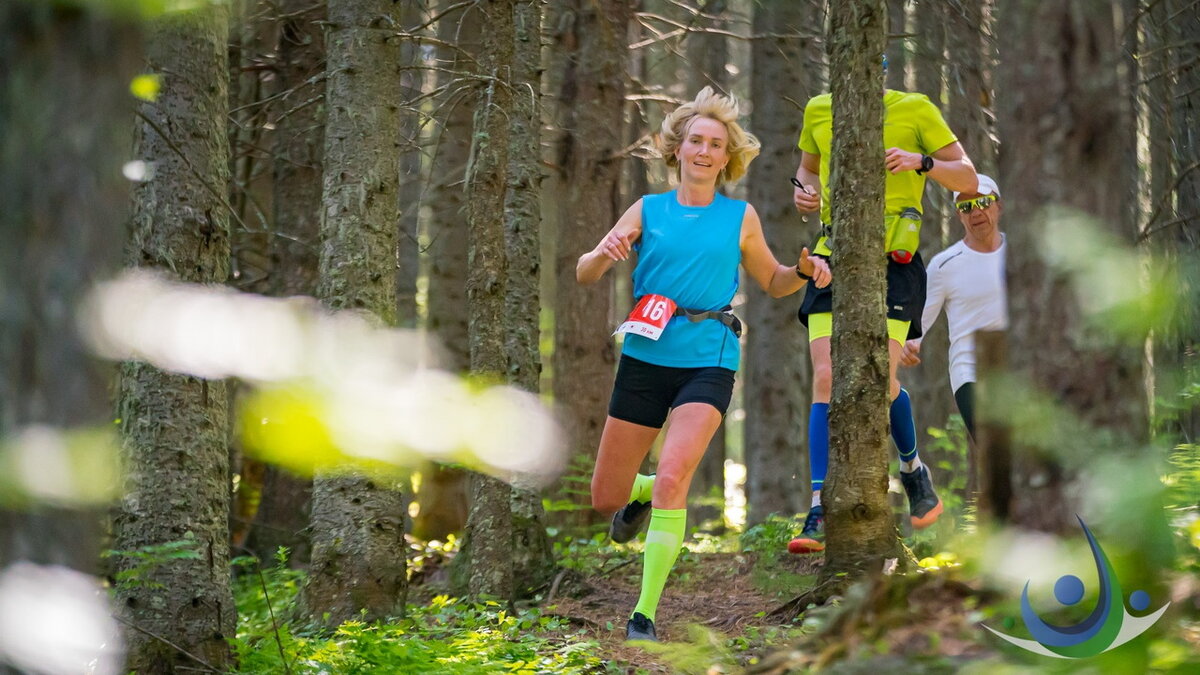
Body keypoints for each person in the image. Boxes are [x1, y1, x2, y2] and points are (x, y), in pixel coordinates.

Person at [576, 87, 831, 642]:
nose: (705, 151)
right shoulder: (648, 209)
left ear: (727, 156)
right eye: (696, 140)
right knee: (606, 498)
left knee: (674, 477)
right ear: (677, 148)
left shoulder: (740, 216)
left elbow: (773, 281)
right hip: (645, 356)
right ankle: (636, 495)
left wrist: (804, 270)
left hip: (709, 357)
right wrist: (603, 255)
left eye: (716, 144)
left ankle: (643, 614)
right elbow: (584, 274)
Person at [788, 58, 979, 554]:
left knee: (878, 379)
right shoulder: (818, 109)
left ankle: (913, 470)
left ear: (884, 71)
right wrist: (805, 195)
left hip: (895, 262)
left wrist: (922, 163)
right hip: (834, 257)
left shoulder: (915, 109)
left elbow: (970, 179)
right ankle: (816, 507)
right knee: (827, 376)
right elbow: (806, 173)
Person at [900, 174, 1007, 440]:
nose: (976, 212)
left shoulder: (1021, 253)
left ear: (999, 205)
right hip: (969, 372)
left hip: (1019, 371)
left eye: (983, 202)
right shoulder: (944, 265)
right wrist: (907, 344)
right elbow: (916, 323)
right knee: (994, 450)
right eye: (966, 207)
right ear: (959, 215)